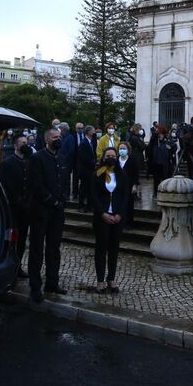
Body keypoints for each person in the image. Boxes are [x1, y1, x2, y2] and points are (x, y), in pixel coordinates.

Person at [28, 129, 69, 300]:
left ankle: (52, 282)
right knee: (37, 248)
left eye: (59, 137)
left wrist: (63, 199)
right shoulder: (37, 158)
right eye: (54, 137)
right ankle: (35, 286)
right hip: (41, 210)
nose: (58, 140)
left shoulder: (61, 157)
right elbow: (36, 185)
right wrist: (51, 200)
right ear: (46, 140)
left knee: (54, 248)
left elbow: (64, 180)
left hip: (57, 211)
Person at [89, 147, 128, 293]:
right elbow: (93, 195)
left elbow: (125, 195)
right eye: (108, 155)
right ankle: (100, 280)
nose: (110, 157)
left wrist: (119, 214)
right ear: (103, 157)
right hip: (102, 216)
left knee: (114, 249)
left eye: (113, 155)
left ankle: (111, 278)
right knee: (101, 249)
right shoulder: (97, 173)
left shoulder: (121, 174)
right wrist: (102, 213)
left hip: (117, 216)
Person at [0, 134, 34, 278]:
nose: (25, 145)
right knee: (12, 238)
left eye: (26, 142)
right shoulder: (7, 163)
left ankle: (18, 266)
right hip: (14, 207)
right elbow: (7, 184)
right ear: (15, 145)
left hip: (26, 207)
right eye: (22, 143)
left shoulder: (29, 161)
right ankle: (7, 265)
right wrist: (18, 200)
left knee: (22, 239)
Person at [117, 140, 140, 229]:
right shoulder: (116, 160)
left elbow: (136, 173)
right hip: (118, 186)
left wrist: (135, 185)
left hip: (129, 185)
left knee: (129, 205)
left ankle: (129, 223)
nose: (122, 150)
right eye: (120, 148)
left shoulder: (132, 159)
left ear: (128, 149)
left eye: (124, 148)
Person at [75, 125, 97, 212]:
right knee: (83, 189)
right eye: (93, 130)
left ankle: (89, 206)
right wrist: (94, 164)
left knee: (90, 189)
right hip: (85, 170)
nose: (94, 132)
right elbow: (84, 158)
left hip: (90, 170)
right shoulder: (84, 143)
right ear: (88, 132)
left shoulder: (90, 142)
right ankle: (80, 206)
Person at [151, 125, 176, 196]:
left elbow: (174, 148)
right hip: (156, 164)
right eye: (158, 134)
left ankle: (165, 192)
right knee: (156, 180)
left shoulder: (168, 142)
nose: (159, 136)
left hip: (165, 164)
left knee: (165, 179)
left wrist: (170, 148)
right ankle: (156, 193)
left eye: (160, 134)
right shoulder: (155, 142)